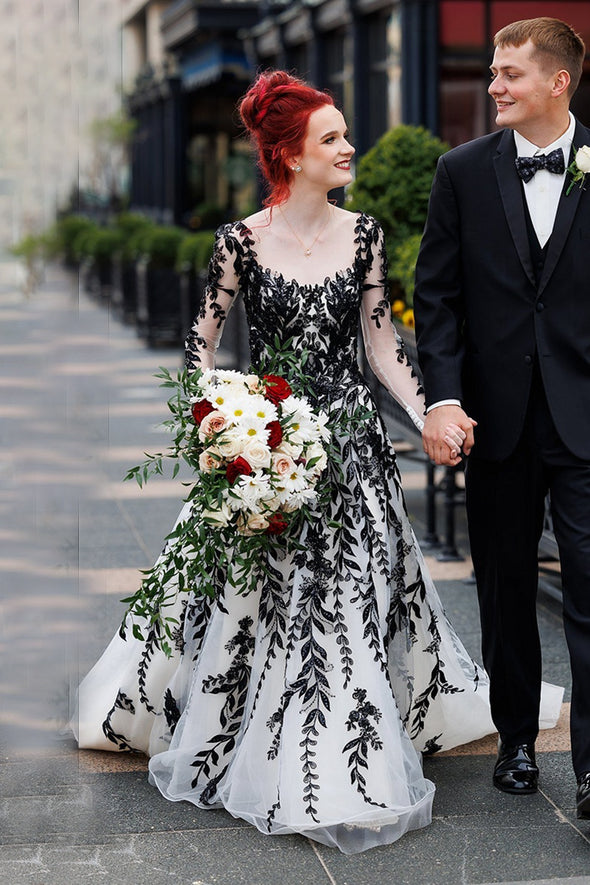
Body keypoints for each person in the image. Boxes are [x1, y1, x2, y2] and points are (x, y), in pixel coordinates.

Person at [74, 71, 551, 855]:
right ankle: (263, 732)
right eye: (332, 138)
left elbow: (378, 342)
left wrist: (429, 402)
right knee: (257, 603)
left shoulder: (364, 233)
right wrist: (222, 423)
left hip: (353, 450)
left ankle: (343, 757)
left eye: (344, 135)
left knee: (351, 603)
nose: (348, 147)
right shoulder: (238, 241)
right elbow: (200, 341)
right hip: (267, 444)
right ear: (290, 154)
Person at [414, 16, 590, 816]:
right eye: (490, 72)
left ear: (558, 81)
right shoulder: (461, 170)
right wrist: (444, 399)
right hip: (496, 421)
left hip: (587, 421)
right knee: (506, 586)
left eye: (509, 74)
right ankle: (516, 736)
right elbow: (438, 299)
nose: (493, 87)